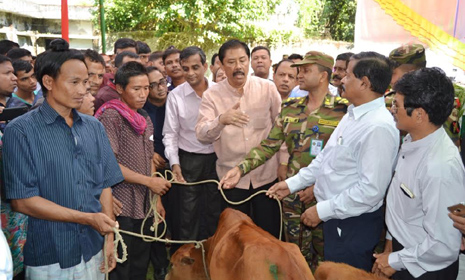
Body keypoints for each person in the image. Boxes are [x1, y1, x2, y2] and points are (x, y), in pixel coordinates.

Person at [267, 52, 399, 271]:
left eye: (347, 75)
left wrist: (322, 210)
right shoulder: (352, 114)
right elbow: (324, 160)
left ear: (364, 83)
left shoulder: (378, 127)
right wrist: (291, 184)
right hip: (338, 218)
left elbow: (371, 191)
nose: (342, 80)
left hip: (352, 224)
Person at [3, 38, 123, 279]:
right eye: (74, 82)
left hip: (93, 247)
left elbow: (104, 185)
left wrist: (108, 237)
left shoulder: (93, 127)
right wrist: (87, 218)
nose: (83, 90)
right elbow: (22, 201)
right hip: (50, 254)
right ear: (48, 81)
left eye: (86, 82)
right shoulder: (21, 131)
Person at [221, 52, 347, 269]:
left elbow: (346, 159)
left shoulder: (343, 111)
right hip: (291, 196)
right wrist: (241, 169)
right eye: (300, 69)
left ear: (324, 76)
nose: (300, 74)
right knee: (295, 257)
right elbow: (269, 145)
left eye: (307, 70)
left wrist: (317, 186)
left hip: (327, 199)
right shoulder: (290, 107)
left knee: (330, 259)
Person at [373, 68, 465, 279]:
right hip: (405, 252)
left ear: (419, 115)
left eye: (397, 105)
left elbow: (443, 245)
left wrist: (395, 260)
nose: (392, 109)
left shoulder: (440, 167)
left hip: (424, 266)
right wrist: (390, 242)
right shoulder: (413, 139)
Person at [196, 39, 282, 238]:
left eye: (242, 60)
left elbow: (281, 129)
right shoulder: (212, 95)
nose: (238, 67)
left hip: (266, 176)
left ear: (249, 61)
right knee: (236, 236)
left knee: (268, 234)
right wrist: (221, 120)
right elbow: (201, 133)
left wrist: (283, 162)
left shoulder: (267, 89)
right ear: (222, 65)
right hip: (231, 179)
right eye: (231, 62)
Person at [95, 61, 171, 280]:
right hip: (121, 202)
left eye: (146, 88)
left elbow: (149, 158)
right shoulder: (111, 116)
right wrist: (149, 183)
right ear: (120, 88)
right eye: (136, 89)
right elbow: (109, 163)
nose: (143, 94)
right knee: (121, 263)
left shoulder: (144, 117)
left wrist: (156, 198)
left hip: (144, 202)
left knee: (140, 260)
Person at [163, 46, 221, 253]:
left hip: (217, 159)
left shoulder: (220, 92)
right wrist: (175, 163)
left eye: (195, 67)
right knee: (187, 213)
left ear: (206, 66)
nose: (190, 73)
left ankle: (212, 256)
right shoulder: (176, 96)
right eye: (185, 68)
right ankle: (186, 259)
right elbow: (170, 134)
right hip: (188, 160)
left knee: (215, 209)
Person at [141, 66, 170, 280]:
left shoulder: (175, 102)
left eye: (163, 82)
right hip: (149, 170)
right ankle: (159, 264)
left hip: (174, 166)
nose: (160, 88)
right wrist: (150, 155)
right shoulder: (142, 110)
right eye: (153, 85)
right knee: (154, 215)